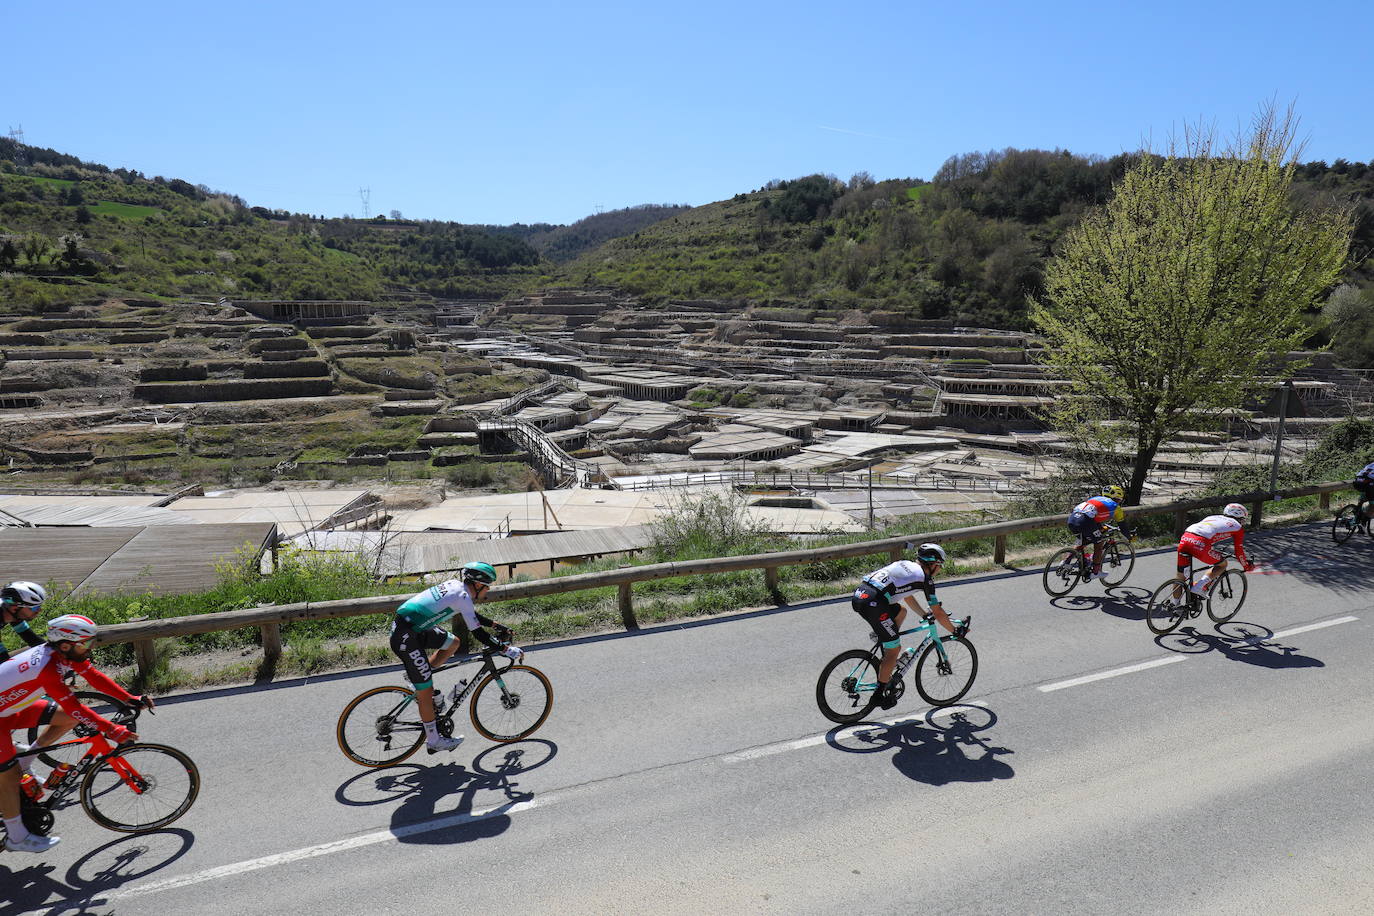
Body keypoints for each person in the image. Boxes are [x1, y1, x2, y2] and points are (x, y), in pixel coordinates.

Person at [0, 614, 150, 854]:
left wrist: (129, 698)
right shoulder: (46, 668)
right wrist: (110, 729)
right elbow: (76, 707)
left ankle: (25, 761)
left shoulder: (61, 653)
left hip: (7, 710)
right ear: (66, 644)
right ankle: (17, 838)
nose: (90, 648)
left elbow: (93, 677)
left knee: (66, 719)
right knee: (8, 777)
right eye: (86, 643)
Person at [389, 562, 523, 755]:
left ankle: (418, 677)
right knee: (425, 692)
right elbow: (478, 634)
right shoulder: (462, 596)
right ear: (478, 585)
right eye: (487, 586)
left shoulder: (456, 586)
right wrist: (506, 649)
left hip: (412, 627)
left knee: (453, 643)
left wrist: (495, 625)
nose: (488, 590)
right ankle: (434, 740)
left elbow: (470, 613)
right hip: (406, 637)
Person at [852, 543, 959, 711]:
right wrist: (955, 630)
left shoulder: (906, 565)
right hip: (874, 603)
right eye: (938, 566)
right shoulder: (925, 578)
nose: (939, 570)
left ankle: (885, 645)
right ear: (931, 564)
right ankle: (879, 695)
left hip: (861, 594)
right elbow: (938, 612)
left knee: (901, 611)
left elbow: (907, 597)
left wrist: (924, 614)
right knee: (895, 648)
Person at [1177, 503, 1256, 598]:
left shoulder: (1213, 517)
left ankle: (1175, 605)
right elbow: (1238, 551)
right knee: (1223, 564)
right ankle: (1198, 587)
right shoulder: (1237, 527)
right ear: (1239, 517)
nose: (1243, 522)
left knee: (1180, 578)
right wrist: (1246, 566)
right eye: (1243, 518)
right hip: (1200, 543)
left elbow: (1207, 531)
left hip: (1185, 538)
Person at [1066, 485, 1130, 579]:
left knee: (1082, 540)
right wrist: (1129, 537)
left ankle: (1065, 562)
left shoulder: (1095, 499)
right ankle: (1095, 572)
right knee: (1099, 543)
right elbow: (1123, 526)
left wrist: (1100, 528)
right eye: (1120, 500)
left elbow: (1093, 518)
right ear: (1117, 498)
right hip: (1086, 522)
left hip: (1072, 519)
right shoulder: (1115, 507)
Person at [0, 581, 47, 664]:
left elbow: (33, 640)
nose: (39, 610)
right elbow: (3, 662)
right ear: (15, 608)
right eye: (35, 608)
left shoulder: (13, 614)